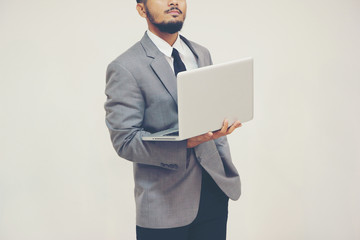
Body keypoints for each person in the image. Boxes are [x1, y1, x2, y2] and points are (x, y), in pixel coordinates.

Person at [104, 0, 242, 239]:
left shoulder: (201, 53)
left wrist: (220, 133)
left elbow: (210, 113)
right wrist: (185, 143)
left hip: (214, 191)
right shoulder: (125, 67)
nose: (173, 1)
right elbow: (125, 142)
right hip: (164, 204)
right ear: (141, 9)